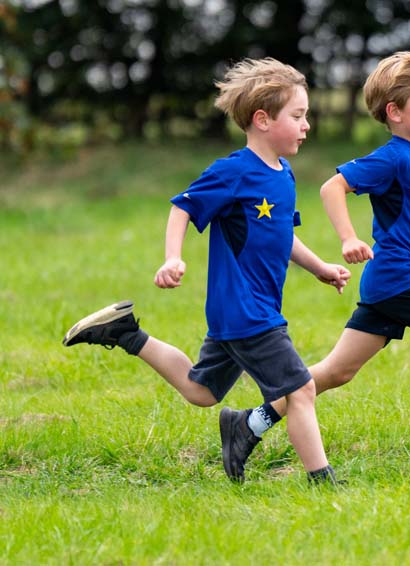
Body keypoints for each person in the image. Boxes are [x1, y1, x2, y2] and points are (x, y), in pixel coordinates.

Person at [230, 50, 410, 470]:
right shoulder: (391, 157)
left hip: (393, 283)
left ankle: (250, 423)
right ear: (395, 112)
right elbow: (332, 188)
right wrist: (348, 237)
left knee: (337, 371)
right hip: (401, 275)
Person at [62, 57, 350, 484]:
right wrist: (173, 257)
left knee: (201, 391)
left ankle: (125, 332)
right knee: (301, 390)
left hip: (243, 311)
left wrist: (318, 267)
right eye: (298, 115)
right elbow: (183, 206)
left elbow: (280, 236)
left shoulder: (283, 174)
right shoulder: (234, 171)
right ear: (263, 120)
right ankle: (322, 480)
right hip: (248, 311)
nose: (307, 125)